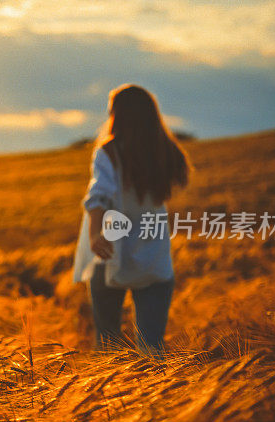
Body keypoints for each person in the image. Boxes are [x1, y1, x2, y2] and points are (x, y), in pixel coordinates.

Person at [72, 85, 190, 356]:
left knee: (108, 346)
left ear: (119, 114)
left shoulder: (109, 152)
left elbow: (97, 197)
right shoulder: (166, 152)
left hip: (109, 252)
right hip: (153, 256)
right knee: (152, 350)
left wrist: (94, 234)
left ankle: (111, 398)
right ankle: (158, 397)